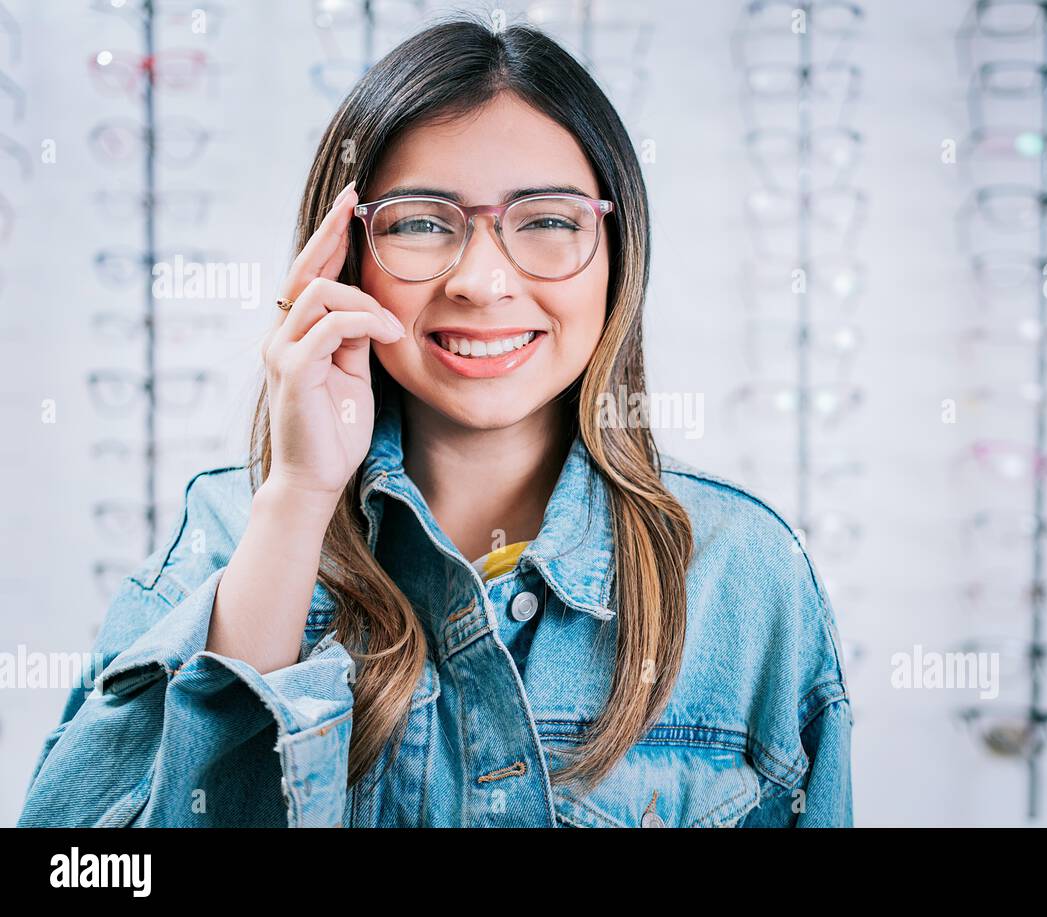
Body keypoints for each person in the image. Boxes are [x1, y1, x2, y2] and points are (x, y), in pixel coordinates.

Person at [19, 13, 853, 828]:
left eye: (549, 221)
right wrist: (301, 494)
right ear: (343, 258)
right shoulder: (230, 533)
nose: (482, 281)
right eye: (421, 223)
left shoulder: (744, 572)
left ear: (616, 251)